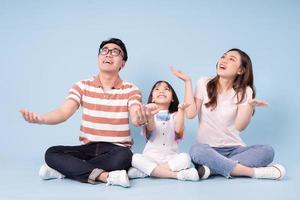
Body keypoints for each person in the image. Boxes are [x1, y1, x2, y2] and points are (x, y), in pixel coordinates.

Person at [20, 38, 152, 187]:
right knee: (51, 153)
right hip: (87, 148)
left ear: (123, 63)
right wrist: (41, 119)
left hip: (116, 150)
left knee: (125, 157)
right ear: (98, 58)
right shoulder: (82, 86)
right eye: (104, 51)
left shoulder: (131, 89)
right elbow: (64, 112)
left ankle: (64, 171)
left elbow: (136, 114)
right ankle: (104, 176)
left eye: (115, 52)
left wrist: (141, 118)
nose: (108, 54)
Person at [171, 48, 286, 180]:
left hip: (234, 150)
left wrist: (249, 106)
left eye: (231, 59)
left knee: (267, 151)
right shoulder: (204, 83)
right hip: (207, 149)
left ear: (241, 70)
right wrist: (187, 82)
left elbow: (240, 126)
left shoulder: (245, 91)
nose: (224, 60)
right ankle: (254, 172)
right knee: (196, 151)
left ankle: (212, 169)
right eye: (223, 57)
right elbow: (190, 114)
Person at [127, 80, 200, 181]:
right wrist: (151, 115)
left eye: (166, 89)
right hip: (150, 157)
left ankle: (146, 171)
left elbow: (178, 130)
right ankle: (177, 175)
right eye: (157, 89)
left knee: (185, 158)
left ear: (172, 98)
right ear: (152, 98)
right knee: (135, 158)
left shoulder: (176, 116)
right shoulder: (148, 115)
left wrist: (181, 111)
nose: (161, 91)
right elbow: (150, 129)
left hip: (170, 158)